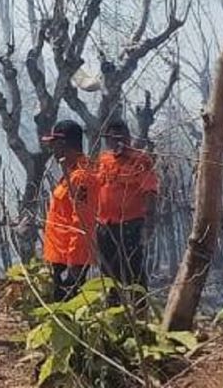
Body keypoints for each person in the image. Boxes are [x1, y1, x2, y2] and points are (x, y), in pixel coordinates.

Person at [95, 120, 159, 293]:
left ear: (128, 138)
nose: (117, 142)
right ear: (107, 140)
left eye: (120, 137)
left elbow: (150, 190)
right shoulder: (104, 160)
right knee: (109, 273)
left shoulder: (140, 160)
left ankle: (139, 312)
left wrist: (149, 222)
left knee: (133, 271)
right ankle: (114, 312)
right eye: (112, 138)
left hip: (130, 225)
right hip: (105, 226)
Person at [40, 120, 96, 302]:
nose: (53, 151)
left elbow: (82, 222)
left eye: (54, 145)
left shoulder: (82, 177)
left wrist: (74, 263)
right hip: (59, 257)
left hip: (70, 259)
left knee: (68, 310)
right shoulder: (69, 174)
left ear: (63, 144)